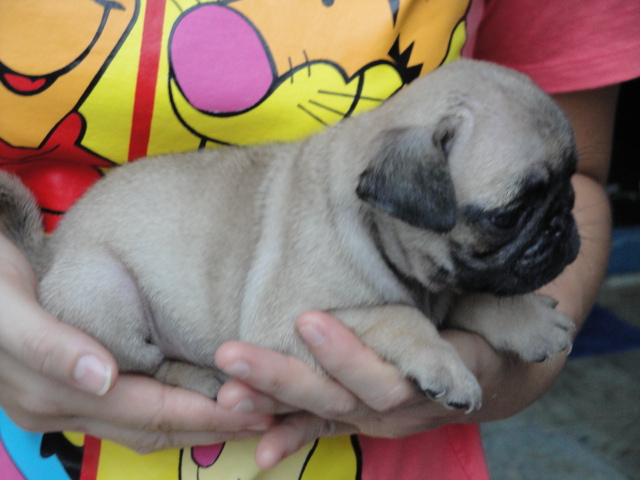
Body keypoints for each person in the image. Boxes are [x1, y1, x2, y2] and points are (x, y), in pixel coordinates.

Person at [0, 1, 639, 479]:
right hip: (89, 332)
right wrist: (405, 334)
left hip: (404, 458)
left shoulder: (410, 233)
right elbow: (282, 330)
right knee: (93, 291)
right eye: (507, 214)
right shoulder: (328, 226)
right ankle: (165, 365)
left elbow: (574, 185)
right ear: (409, 193)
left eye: (554, 197)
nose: (555, 222)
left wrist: (508, 360)